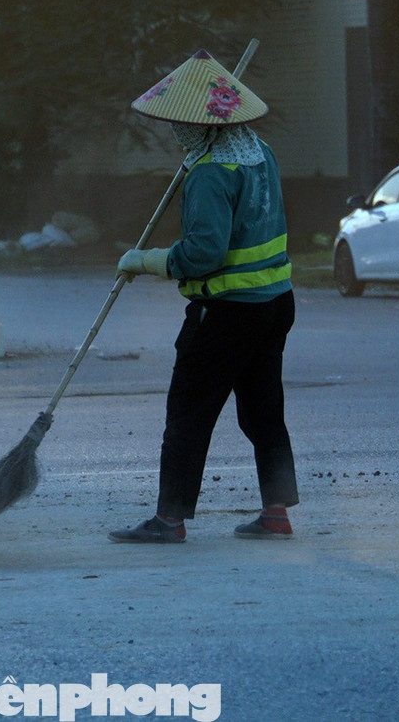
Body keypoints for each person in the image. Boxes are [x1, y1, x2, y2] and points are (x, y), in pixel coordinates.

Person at [109, 49, 299, 544]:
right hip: (275, 305)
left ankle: (169, 520)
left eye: (180, 124)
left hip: (225, 315)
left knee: (188, 417)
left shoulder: (212, 172)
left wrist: (145, 260)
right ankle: (276, 512)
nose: (176, 133)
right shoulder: (260, 152)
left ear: (201, 126)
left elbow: (204, 253)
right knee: (264, 413)